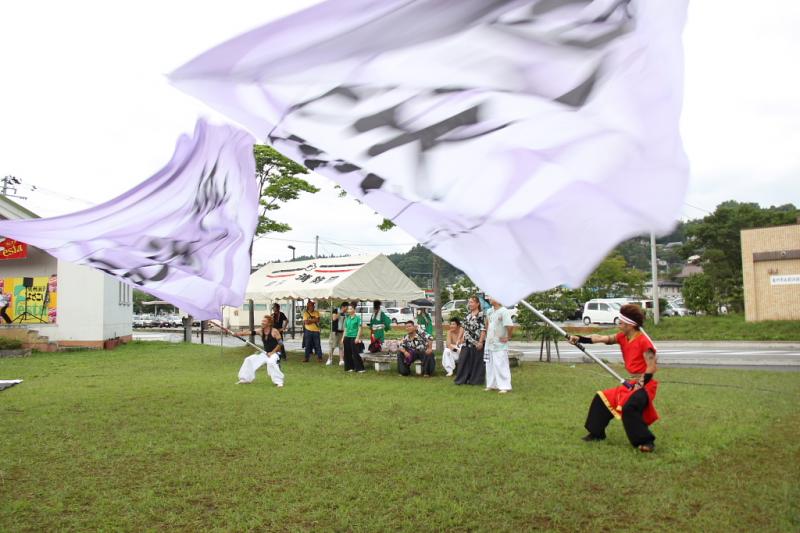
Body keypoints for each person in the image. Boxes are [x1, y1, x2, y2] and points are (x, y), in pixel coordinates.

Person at [569, 304, 659, 453]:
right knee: (601, 398)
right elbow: (601, 338)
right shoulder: (622, 337)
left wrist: (639, 385)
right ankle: (597, 433)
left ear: (630, 325)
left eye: (621, 323)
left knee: (629, 407)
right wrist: (580, 339)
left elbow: (651, 367)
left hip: (646, 385)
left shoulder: (644, 342)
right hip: (631, 382)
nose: (619, 325)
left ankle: (646, 442)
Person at [235, 315, 285, 387]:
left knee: (271, 362)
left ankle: (279, 382)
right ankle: (245, 379)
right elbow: (250, 332)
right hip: (265, 353)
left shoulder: (274, 331)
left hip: (276, 353)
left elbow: (280, 343)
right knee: (248, 359)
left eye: (264, 321)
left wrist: (272, 352)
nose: (262, 322)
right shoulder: (261, 331)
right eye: (262, 321)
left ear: (269, 323)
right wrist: (238, 334)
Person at [454, 295, 486, 385]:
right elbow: (463, 327)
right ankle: (462, 380)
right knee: (463, 361)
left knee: (476, 362)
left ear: (477, 304)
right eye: (469, 302)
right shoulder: (467, 315)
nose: (470, 304)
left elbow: (483, 329)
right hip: (466, 343)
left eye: (471, 302)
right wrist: (459, 338)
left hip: (477, 343)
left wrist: (480, 342)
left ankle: (475, 380)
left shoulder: (482, 315)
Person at [484, 297, 514, 393]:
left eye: (492, 297)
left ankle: (505, 386)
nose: (489, 298)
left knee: (500, 364)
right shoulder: (489, 311)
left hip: (500, 343)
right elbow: (487, 323)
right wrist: (488, 334)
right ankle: (491, 385)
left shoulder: (504, 311)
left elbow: (510, 326)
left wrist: (508, 337)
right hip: (490, 343)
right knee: (490, 364)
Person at [341, 301, 365, 373]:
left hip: (354, 337)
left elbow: (359, 329)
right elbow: (345, 329)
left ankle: (360, 368)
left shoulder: (357, 318)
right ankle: (349, 368)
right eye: (348, 309)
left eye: (350, 309)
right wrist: (343, 338)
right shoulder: (347, 318)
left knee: (355, 353)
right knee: (347, 353)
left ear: (354, 310)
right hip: (347, 337)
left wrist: (357, 338)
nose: (349, 310)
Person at [330, 301, 348, 366]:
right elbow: (334, 318)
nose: (347, 309)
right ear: (343, 307)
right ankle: (330, 359)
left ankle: (341, 360)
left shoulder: (346, 313)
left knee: (341, 346)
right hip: (335, 331)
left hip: (342, 332)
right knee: (332, 346)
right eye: (346, 308)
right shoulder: (336, 310)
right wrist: (340, 312)